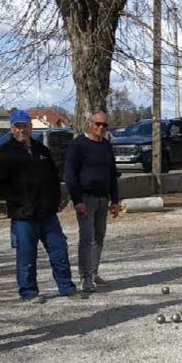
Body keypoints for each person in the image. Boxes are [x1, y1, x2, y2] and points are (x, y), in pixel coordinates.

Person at [0, 110, 76, 303]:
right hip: (23, 216)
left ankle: (66, 286)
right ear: (12, 128)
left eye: (25, 126)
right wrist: (19, 201)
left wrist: (56, 200)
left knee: (59, 251)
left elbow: (54, 178)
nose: (22, 130)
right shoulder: (3, 153)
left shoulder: (41, 150)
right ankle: (29, 292)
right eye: (18, 126)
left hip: (47, 214)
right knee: (26, 256)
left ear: (31, 127)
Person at [65, 110, 121, 293]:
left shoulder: (106, 145)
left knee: (99, 237)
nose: (101, 128)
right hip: (86, 198)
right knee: (86, 238)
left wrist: (115, 200)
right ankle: (85, 277)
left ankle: (94, 272)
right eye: (98, 124)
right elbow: (70, 174)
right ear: (90, 124)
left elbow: (112, 174)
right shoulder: (78, 144)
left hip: (103, 198)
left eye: (105, 125)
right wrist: (77, 200)